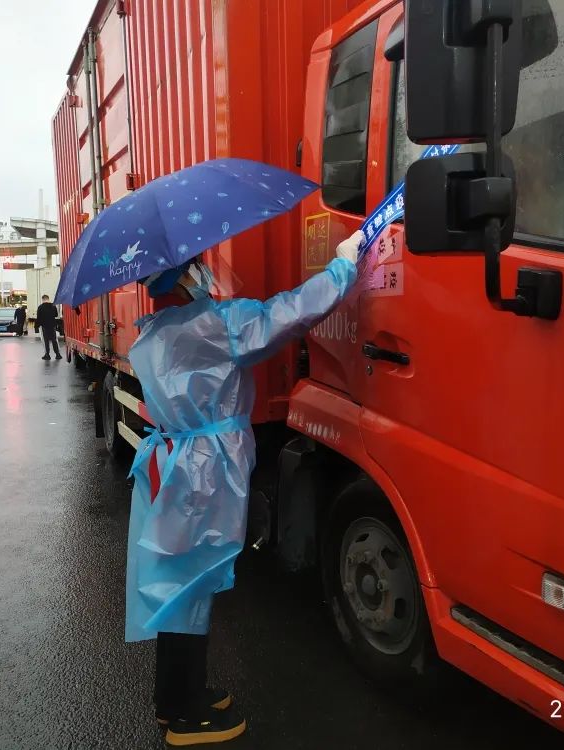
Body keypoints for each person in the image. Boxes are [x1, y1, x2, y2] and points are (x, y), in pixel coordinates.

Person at [126, 231, 362, 746]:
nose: (204, 274)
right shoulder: (214, 326)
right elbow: (288, 314)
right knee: (189, 587)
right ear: (185, 277)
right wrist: (341, 271)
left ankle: (179, 695)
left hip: (180, 466)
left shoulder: (153, 332)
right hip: (205, 472)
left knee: (186, 582)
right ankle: (182, 713)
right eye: (196, 267)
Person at [34, 295, 61, 360]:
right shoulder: (53, 306)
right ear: (48, 299)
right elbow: (56, 315)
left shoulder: (40, 307)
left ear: (43, 299)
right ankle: (57, 354)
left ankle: (47, 355)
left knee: (46, 341)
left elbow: (39, 318)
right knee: (54, 340)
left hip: (44, 326)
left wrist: (36, 326)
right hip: (52, 325)